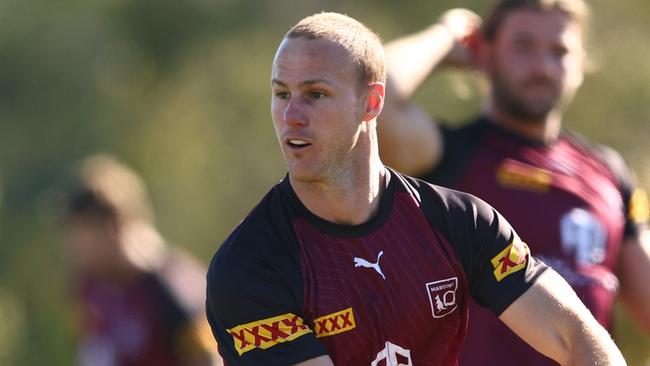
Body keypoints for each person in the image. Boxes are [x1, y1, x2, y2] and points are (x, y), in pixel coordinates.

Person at [205, 11, 627, 365]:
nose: (291, 114)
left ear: (371, 103)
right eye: (281, 94)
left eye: (316, 94)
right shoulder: (250, 266)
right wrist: (445, 33)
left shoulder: (462, 221)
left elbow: (577, 337)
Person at [377, 0, 650, 364]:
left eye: (560, 50)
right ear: (485, 55)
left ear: (581, 63)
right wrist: (446, 36)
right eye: (523, 46)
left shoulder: (609, 173)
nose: (542, 66)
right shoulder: (446, 155)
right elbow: (369, 94)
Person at [60, 154, 222, 366]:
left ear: (114, 226)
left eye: (82, 233)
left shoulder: (172, 285)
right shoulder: (89, 290)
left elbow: (209, 360)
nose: (73, 246)